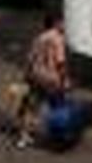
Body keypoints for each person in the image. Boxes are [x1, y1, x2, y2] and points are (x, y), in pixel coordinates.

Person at [16, 11, 70, 147]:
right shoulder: (57, 39)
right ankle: (58, 137)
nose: (64, 25)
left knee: (30, 107)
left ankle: (24, 137)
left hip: (35, 76)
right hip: (50, 79)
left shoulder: (39, 38)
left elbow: (30, 59)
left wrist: (25, 77)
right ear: (56, 23)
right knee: (57, 107)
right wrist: (65, 80)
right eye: (63, 22)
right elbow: (60, 63)